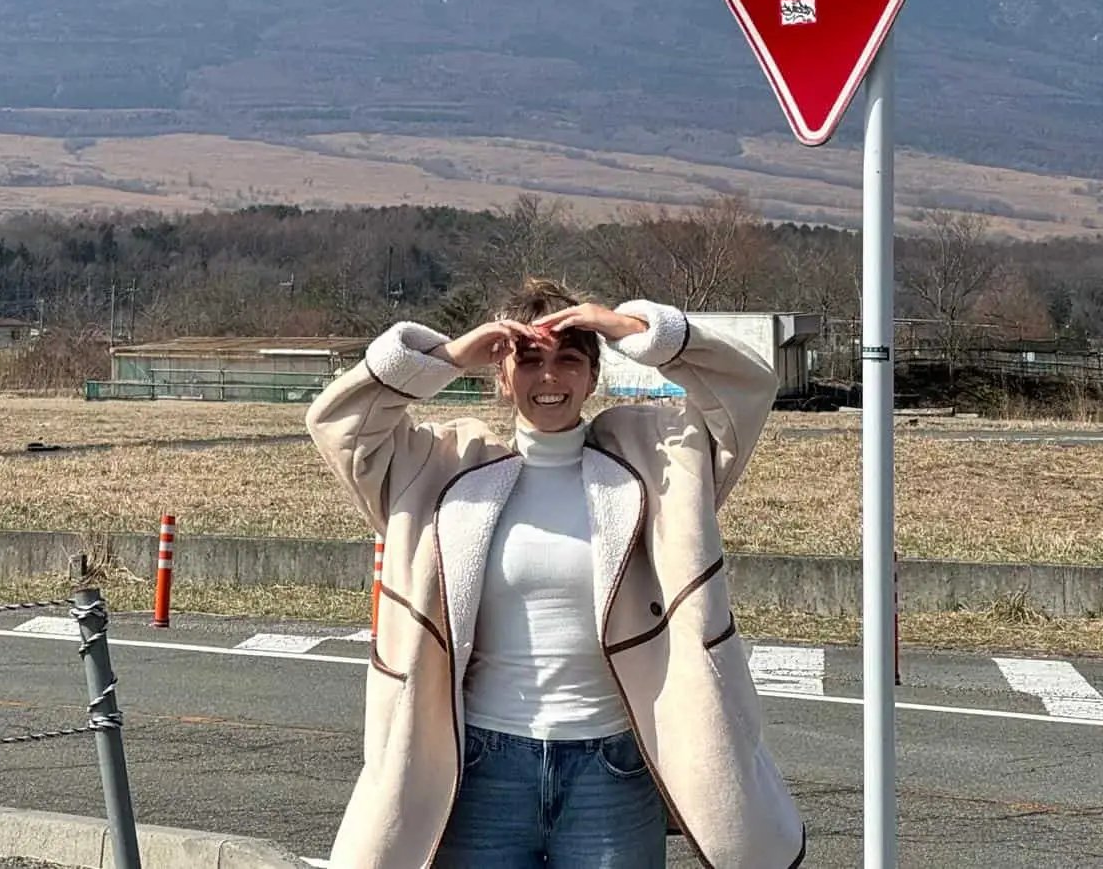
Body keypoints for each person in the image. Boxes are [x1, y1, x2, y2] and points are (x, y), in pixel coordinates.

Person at [306, 277, 804, 869]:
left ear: (593, 375)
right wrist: (446, 357)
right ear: (499, 373)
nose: (549, 378)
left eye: (570, 359)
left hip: (613, 770)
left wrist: (632, 328)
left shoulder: (656, 461)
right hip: (480, 768)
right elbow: (337, 421)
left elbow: (747, 386)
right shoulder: (437, 468)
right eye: (529, 359)